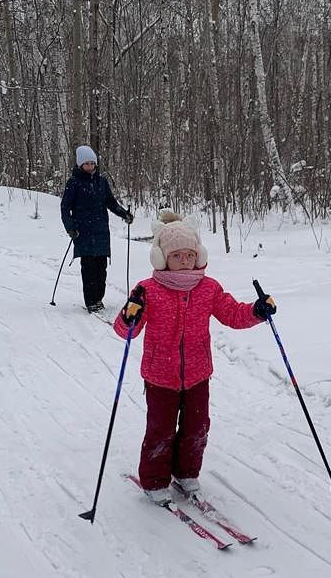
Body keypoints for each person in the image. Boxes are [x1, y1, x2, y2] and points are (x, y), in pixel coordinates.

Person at [113, 210, 276, 504]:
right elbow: (125, 331)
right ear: (162, 258)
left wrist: (256, 311)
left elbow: (232, 313)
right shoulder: (148, 290)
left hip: (198, 374)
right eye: (177, 256)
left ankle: (187, 472)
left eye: (190, 254)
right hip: (160, 376)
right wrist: (129, 314)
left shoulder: (208, 287)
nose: (185, 260)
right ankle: (153, 480)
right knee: (160, 430)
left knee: (197, 428)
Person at [60, 145, 134, 312]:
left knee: (101, 269)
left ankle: (99, 299)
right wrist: (70, 227)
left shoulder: (102, 182)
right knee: (88, 268)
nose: (91, 166)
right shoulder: (74, 183)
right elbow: (65, 208)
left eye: (93, 163)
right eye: (87, 163)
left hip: (101, 232)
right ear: (80, 164)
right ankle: (91, 301)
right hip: (83, 232)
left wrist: (124, 214)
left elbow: (111, 202)